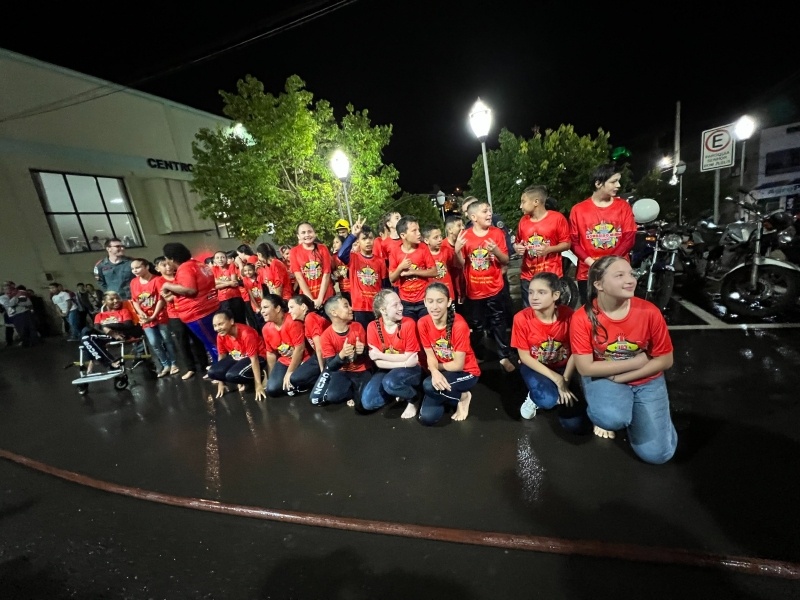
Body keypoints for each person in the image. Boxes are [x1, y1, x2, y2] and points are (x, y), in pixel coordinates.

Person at [570, 255, 677, 464]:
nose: (630, 280)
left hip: (643, 379)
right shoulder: (582, 318)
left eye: (631, 274)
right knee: (610, 418)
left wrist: (621, 377)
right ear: (598, 284)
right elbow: (585, 368)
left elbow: (665, 360)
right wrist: (637, 361)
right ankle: (615, 408)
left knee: (658, 456)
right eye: (619, 275)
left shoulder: (649, 312)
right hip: (606, 377)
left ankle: (653, 418)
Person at [512, 272, 590, 432]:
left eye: (541, 292)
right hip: (535, 366)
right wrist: (557, 379)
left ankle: (558, 391)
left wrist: (565, 380)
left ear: (555, 295)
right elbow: (524, 357)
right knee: (547, 400)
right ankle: (533, 397)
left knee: (575, 425)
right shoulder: (521, 318)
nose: (534, 297)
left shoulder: (570, 316)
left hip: (564, 367)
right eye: (531, 292)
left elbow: (576, 351)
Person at [454, 199, 516, 372]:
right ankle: (478, 356)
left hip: (495, 287)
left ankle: (504, 356)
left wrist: (496, 251)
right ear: (473, 217)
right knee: (477, 325)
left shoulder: (497, 233)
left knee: (499, 321)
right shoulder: (465, 236)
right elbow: (460, 265)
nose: (489, 214)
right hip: (474, 291)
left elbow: (505, 260)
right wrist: (457, 250)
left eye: (489, 210)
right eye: (484, 211)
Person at [568, 163, 637, 304]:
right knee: (591, 310)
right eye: (613, 181)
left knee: (619, 310)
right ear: (598, 183)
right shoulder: (578, 210)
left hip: (618, 272)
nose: (618, 185)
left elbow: (629, 238)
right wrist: (592, 263)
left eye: (618, 181)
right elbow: (573, 242)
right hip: (588, 274)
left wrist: (609, 263)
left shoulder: (623, 206)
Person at [416, 282, 480, 425]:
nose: (434, 307)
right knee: (427, 418)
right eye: (430, 301)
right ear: (425, 302)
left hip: (466, 372)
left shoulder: (459, 325)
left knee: (428, 385)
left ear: (449, 302)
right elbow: (430, 355)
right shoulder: (422, 323)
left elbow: (458, 365)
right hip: (442, 370)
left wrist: (435, 369)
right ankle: (447, 395)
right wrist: (434, 371)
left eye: (440, 301)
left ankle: (463, 397)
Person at [362, 289, 422, 417]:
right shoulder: (372, 326)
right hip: (391, 368)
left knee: (390, 383)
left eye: (400, 303)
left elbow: (411, 357)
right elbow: (378, 364)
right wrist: (405, 362)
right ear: (383, 310)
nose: (401, 308)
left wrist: (380, 355)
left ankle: (414, 399)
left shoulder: (408, 323)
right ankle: (398, 391)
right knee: (368, 403)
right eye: (395, 305)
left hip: (411, 369)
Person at [160, 242, 220, 363]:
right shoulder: (198, 264)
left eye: (166, 259)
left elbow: (190, 290)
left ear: (171, 258)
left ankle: (222, 369)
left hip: (198, 312)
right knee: (215, 341)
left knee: (213, 344)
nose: (167, 262)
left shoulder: (185, 268)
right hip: (209, 307)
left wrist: (167, 285)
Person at [309, 294, 372, 408]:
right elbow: (331, 366)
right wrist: (342, 355)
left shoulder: (357, 326)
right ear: (334, 312)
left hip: (361, 369)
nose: (351, 308)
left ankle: (357, 391)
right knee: (333, 397)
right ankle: (352, 392)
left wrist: (362, 351)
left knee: (363, 403)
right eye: (346, 306)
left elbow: (369, 355)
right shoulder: (326, 336)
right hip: (342, 371)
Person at [514, 185, 571, 308]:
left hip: (551, 274)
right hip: (528, 276)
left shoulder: (557, 218)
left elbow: (567, 244)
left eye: (523, 202)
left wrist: (549, 249)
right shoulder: (523, 221)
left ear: (536, 202)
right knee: (530, 312)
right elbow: (517, 242)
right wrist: (517, 248)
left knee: (552, 311)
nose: (520, 206)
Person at [155, 256, 208, 380]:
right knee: (182, 341)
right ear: (157, 268)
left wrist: (179, 291)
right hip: (175, 314)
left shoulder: (180, 275)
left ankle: (204, 364)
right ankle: (190, 368)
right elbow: (168, 298)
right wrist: (184, 291)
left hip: (190, 311)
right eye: (164, 265)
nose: (168, 267)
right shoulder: (160, 281)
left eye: (169, 264)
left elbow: (191, 290)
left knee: (197, 338)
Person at [260, 294, 320, 397]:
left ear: (278, 308)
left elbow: (299, 349)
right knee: (272, 389)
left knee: (291, 384)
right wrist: (271, 376)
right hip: (285, 361)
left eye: (265, 307)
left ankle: (310, 379)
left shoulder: (292, 321)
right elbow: (270, 354)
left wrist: (289, 372)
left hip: (304, 359)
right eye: (261, 308)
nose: (262, 311)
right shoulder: (266, 329)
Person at [337, 217, 389, 331]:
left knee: (378, 335)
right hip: (360, 307)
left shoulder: (380, 261)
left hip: (376, 307)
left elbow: (384, 285)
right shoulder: (353, 258)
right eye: (364, 239)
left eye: (370, 238)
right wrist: (353, 234)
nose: (368, 241)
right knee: (363, 336)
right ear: (358, 241)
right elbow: (341, 254)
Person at [129, 258, 179, 378]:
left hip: (160, 315)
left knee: (167, 339)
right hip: (145, 318)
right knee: (154, 342)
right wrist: (141, 313)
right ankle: (165, 365)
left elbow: (161, 299)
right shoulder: (133, 282)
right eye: (133, 268)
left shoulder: (157, 280)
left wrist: (153, 316)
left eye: (138, 267)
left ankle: (174, 363)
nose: (135, 270)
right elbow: (134, 300)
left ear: (146, 267)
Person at [208, 309, 267, 401]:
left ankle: (262, 375)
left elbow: (254, 359)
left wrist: (258, 385)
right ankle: (243, 377)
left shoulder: (246, 334)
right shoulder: (221, 335)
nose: (217, 328)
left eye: (220, 324)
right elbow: (221, 355)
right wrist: (221, 383)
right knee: (213, 372)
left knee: (232, 375)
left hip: (258, 357)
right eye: (215, 326)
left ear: (231, 321)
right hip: (239, 357)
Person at [388, 215, 438, 321]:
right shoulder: (395, 252)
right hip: (405, 303)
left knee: (425, 327)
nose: (419, 233)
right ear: (403, 235)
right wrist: (400, 267)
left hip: (424, 300)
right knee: (409, 328)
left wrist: (413, 271)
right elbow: (392, 278)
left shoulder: (423, 248)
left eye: (418, 230)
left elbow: (434, 272)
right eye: (414, 231)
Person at [82, 291, 143, 370]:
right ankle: (109, 361)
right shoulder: (99, 315)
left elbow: (128, 325)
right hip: (105, 337)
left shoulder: (123, 311)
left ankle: (104, 361)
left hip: (121, 335)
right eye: (111, 299)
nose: (116, 301)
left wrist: (106, 326)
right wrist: (108, 331)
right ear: (104, 302)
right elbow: (97, 329)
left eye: (117, 298)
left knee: (87, 338)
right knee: (86, 333)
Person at [290, 222, 334, 311]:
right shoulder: (294, 251)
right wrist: (310, 300)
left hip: (326, 295)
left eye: (309, 231)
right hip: (307, 297)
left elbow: (326, 274)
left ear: (314, 233)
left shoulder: (322, 248)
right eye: (303, 233)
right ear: (298, 236)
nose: (307, 235)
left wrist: (320, 298)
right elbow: (299, 278)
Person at [287, 294, 330, 374]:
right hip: (324, 355)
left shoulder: (311, 318)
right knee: (296, 377)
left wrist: (322, 371)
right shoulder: (308, 318)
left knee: (296, 378)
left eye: (292, 307)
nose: (289, 311)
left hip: (330, 355)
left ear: (303, 307)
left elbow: (320, 348)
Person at [212, 250, 247, 325]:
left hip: (235, 296)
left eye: (222, 257)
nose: (220, 259)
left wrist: (219, 282)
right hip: (223, 299)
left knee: (240, 320)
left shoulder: (231, 266)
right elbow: (215, 285)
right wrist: (228, 283)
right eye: (217, 258)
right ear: (214, 260)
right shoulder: (214, 269)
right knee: (229, 321)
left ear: (226, 258)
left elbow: (234, 282)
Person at [422, 223, 455, 301]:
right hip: (432, 293)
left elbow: (453, 266)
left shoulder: (447, 251)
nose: (440, 239)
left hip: (448, 292)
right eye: (436, 237)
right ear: (426, 240)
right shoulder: (423, 255)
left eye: (440, 236)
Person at [0, 281, 39, 347]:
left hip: (24, 312)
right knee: (20, 329)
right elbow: (9, 305)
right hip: (15, 315)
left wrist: (17, 300)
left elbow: (27, 303)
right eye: (6, 289)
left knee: (30, 327)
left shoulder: (19, 294)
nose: (8, 290)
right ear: (3, 290)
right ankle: (25, 342)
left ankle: (34, 341)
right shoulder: (3, 297)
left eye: (9, 288)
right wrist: (17, 299)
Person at [330, 235, 351, 303]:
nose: (334, 244)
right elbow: (332, 271)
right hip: (342, 287)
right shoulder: (333, 257)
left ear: (343, 243)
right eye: (333, 242)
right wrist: (335, 273)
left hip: (353, 287)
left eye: (337, 242)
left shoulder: (350, 255)